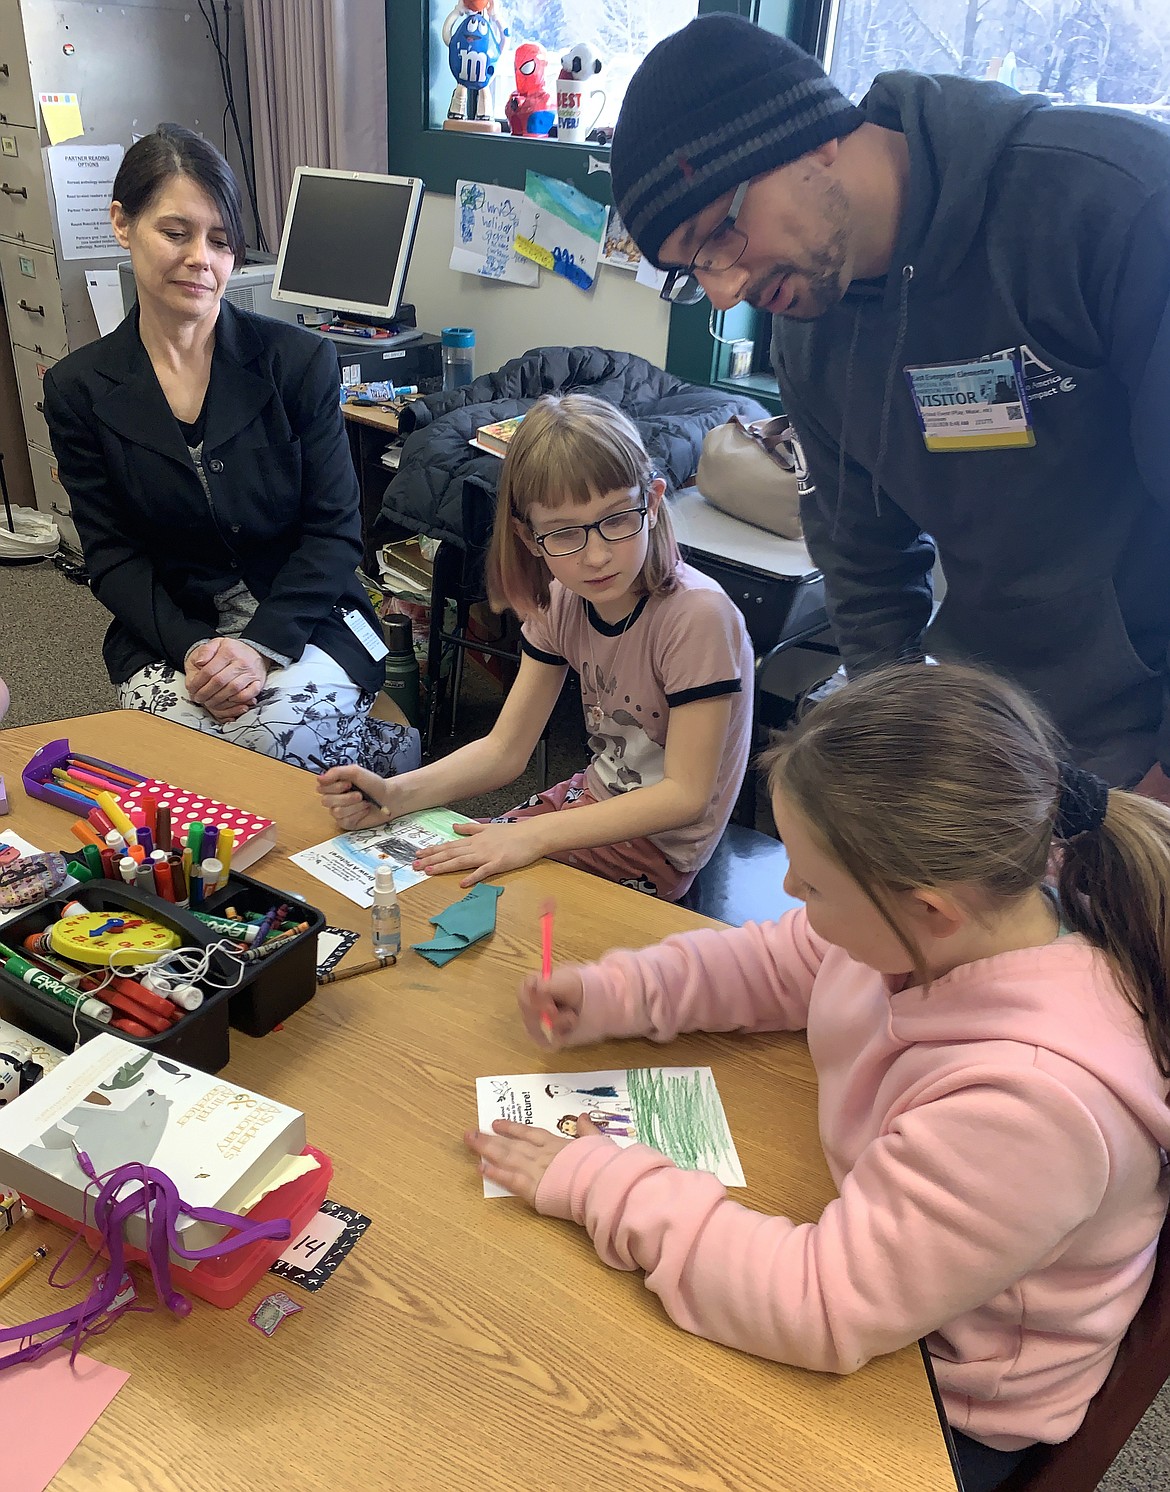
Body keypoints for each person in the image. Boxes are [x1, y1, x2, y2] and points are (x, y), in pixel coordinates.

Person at [465, 662, 1170, 1492]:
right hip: (882, 1264)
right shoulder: (974, 909)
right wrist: (619, 991)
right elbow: (783, 960)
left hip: (943, 1397)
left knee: (582, 1413)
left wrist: (595, 1181)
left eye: (814, 882)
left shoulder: (1036, 1105)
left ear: (927, 911)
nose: (790, 891)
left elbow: (820, 1306)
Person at [608, 14, 1170, 800]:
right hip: (999, 729)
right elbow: (863, 563)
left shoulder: (1115, 202)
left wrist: (1161, 787)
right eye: (692, 270)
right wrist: (903, 741)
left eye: (718, 236)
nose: (725, 288)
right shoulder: (807, 332)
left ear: (811, 135)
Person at [42, 125, 419, 778]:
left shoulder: (298, 362)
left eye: (220, 241)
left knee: (277, 744)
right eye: (176, 232)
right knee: (177, 760)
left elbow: (334, 533)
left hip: (307, 614)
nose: (201, 259)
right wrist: (198, 651)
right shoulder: (78, 389)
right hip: (173, 632)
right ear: (122, 224)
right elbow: (112, 557)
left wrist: (261, 649)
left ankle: (374, 763)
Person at [318, 394, 753, 900]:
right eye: (565, 532)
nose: (596, 556)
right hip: (590, 800)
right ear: (530, 538)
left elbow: (686, 796)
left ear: (652, 503)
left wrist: (531, 836)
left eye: (616, 520)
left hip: (658, 846)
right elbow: (506, 749)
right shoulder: (562, 600)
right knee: (440, 871)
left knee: (476, 900)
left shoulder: (698, 616)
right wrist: (394, 795)